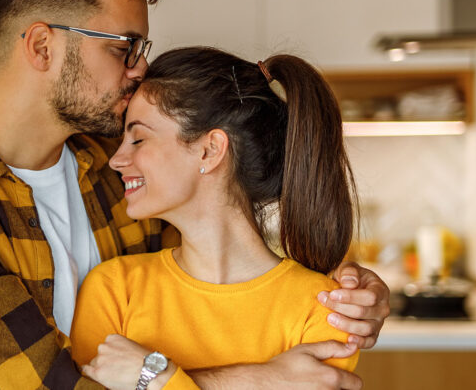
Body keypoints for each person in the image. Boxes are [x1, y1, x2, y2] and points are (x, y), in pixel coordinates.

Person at [0, 0, 390, 389]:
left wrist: (348, 292)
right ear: (42, 47)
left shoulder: (117, 172)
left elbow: (224, 272)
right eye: (124, 46)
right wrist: (253, 380)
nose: (140, 66)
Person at [71, 47, 361, 390]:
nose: (117, 160)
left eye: (138, 138)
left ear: (209, 150)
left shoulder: (326, 306)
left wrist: (157, 377)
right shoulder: (114, 289)